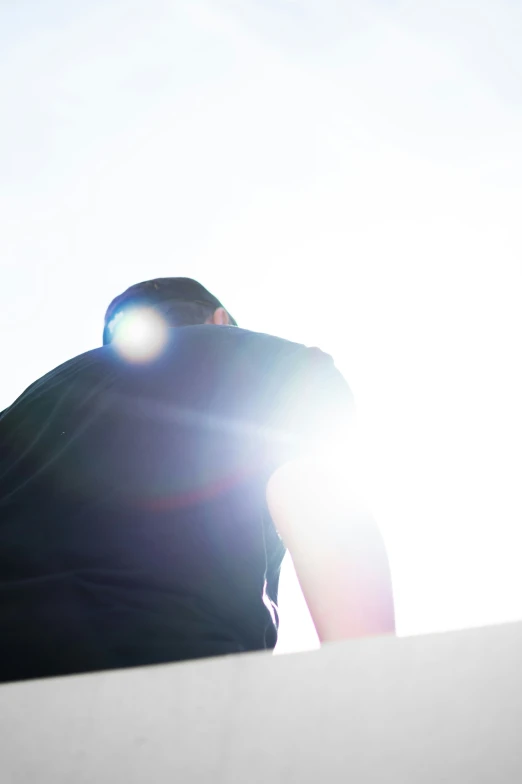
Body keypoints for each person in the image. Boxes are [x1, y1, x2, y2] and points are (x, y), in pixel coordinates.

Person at [0, 277, 395, 684]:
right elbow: (311, 488)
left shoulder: (24, 409)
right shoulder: (267, 358)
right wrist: (370, 679)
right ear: (221, 319)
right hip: (171, 675)